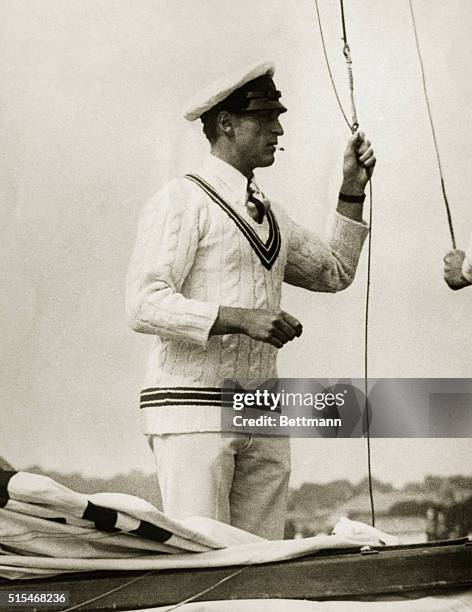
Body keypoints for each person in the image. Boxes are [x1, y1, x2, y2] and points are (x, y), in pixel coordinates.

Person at [126, 61, 376, 539]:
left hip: (261, 412)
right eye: (264, 118)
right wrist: (239, 318)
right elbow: (143, 303)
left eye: (277, 116)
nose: (278, 128)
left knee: (262, 572)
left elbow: (334, 272)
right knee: (204, 568)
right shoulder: (181, 200)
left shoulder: (271, 215)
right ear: (225, 123)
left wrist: (351, 190)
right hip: (191, 411)